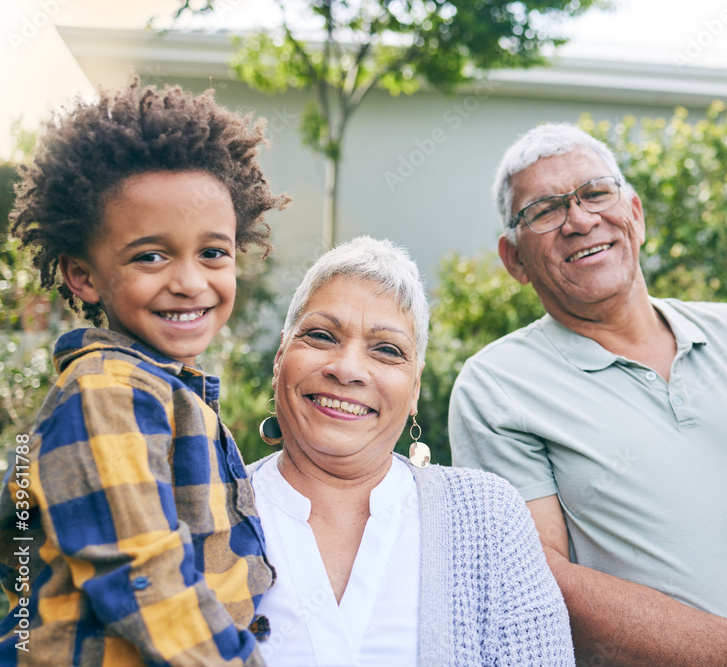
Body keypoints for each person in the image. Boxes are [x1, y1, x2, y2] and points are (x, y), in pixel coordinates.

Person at [449, 122, 727, 665]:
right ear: (515, 260)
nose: (579, 219)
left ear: (636, 215)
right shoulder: (497, 387)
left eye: (596, 192)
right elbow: (540, 583)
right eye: (544, 211)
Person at [0, 78, 288, 664]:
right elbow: (145, 575)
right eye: (151, 256)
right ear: (82, 275)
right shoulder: (108, 392)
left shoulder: (154, 387)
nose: (189, 281)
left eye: (213, 252)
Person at [246, 235, 574, 665]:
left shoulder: (488, 518)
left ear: (415, 387)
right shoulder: (201, 506)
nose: (347, 370)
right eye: (322, 336)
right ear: (280, 359)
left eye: (386, 350)